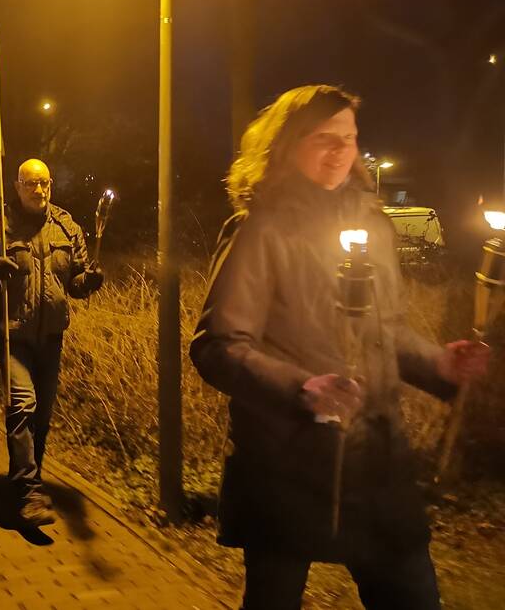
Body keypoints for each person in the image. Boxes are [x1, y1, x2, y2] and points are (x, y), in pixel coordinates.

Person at [189, 85, 490, 610]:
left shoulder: (371, 224)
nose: (339, 151)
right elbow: (218, 345)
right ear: (286, 145)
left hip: (375, 464)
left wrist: (440, 364)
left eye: (348, 138)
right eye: (322, 138)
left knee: (412, 596)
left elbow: (385, 331)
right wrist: (301, 387)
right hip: (286, 463)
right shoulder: (261, 229)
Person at [0, 158, 104, 527]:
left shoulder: (67, 226)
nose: (38, 190)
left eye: (44, 183)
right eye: (30, 183)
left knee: (41, 416)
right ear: (17, 187)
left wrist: (90, 281)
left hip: (51, 336)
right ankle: (29, 493)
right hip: (12, 335)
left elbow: (74, 283)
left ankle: (28, 479)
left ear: (51, 184)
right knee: (22, 406)